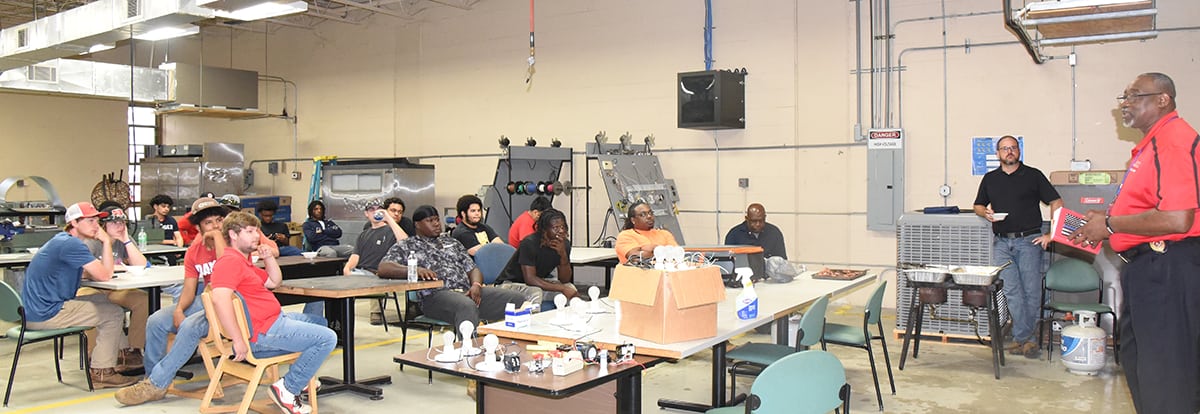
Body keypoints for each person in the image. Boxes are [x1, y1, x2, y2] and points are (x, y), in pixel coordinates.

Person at [1069, 72, 1200, 414]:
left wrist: (1109, 225)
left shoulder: (1172, 140)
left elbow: (1177, 218)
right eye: (1123, 97)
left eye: (1135, 96)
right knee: (1140, 362)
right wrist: (1100, 224)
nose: (1125, 104)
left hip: (1167, 270)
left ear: (1163, 100)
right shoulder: (1147, 147)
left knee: (1165, 375)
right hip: (1146, 271)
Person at [210, 211, 336, 414]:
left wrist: (268, 258)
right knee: (327, 338)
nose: (256, 236)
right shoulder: (229, 262)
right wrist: (238, 340)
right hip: (263, 332)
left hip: (273, 322)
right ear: (233, 235)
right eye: (249, 231)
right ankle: (287, 389)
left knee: (318, 322)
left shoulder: (244, 262)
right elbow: (219, 298)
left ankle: (302, 376)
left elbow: (274, 282)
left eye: (256, 232)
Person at [115, 197, 230, 406]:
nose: (215, 226)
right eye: (208, 223)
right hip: (206, 301)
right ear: (198, 227)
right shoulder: (195, 251)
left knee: (190, 325)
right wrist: (179, 309)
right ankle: (152, 381)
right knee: (157, 320)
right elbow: (189, 286)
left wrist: (218, 238)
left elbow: (225, 274)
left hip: (233, 304)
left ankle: (157, 382)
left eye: (219, 220)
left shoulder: (234, 239)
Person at [20, 202, 139, 388]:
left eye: (97, 221)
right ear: (74, 223)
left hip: (36, 310)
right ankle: (102, 372)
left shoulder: (63, 241)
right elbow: (105, 275)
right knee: (113, 314)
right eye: (90, 221)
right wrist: (107, 241)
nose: (96, 226)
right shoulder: (71, 245)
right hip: (46, 314)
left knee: (103, 299)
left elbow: (96, 272)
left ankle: (120, 353)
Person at [972, 135, 1062, 360]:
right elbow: (978, 205)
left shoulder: (1033, 175)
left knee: (1031, 291)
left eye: (1013, 148)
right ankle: (1026, 339)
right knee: (1011, 291)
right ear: (998, 154)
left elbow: (1056, 202)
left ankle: (1026, 339)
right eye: (1004, 149)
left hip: (1029, 241)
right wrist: (986, 213)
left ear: (1019, 151)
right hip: (1001, 242)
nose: (1009, 152)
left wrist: (1052, 233)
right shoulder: (990, 178)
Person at [377, 205, 528, 332]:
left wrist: (476, 285)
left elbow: (472, 269)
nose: (436, 224)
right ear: (417, 224)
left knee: (516, 300)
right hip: (436, 297)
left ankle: (509, 348)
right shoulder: (408, 245)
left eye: (437, 219)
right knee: (466, 306)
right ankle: (469, 352)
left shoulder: (452, 242)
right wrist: (415, 270)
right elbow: (384, 268)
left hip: (467, 292)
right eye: (430, 221)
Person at [79, 203, 149, 370]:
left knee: (143, 300)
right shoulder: (91, 242)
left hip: (116, 288)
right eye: (114, 223)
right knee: (95, 303)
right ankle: (95, 353)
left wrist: (125, 240)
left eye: (122, 222)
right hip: (92, 288)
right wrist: (117, 267)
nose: (120, 226)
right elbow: (85, 272)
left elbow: (142, 264)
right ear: (103, 225)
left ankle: (133, 349)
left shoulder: (123, 240)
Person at [343, 200, 409, 325]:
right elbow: (355, 256)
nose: (375, 212)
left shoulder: (391, 231)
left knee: (371, 278)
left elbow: (405, 242)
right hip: (361, 271)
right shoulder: (363, 234)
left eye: (378, 209)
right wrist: (347, 268)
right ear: (366, 214)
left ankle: (376, 312)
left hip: (379, 273)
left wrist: (388, 218)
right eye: (371, 210)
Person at [497, 208, 576, 306]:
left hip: (537, 282)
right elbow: (530, 279)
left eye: (563, 227)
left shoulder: (564, 244)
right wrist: (561, 288)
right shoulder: (529, 243)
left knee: (570, 288)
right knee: (535, 292)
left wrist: (563, 254)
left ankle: (573, 319)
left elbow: (564, 280)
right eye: (555, 228)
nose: (561, 231)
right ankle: (532, 320)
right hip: (509, 284)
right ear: (544, 229)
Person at [614, 201, 679, 264]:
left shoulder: (664, 234)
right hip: (638, 274)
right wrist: (662, 251)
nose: (649, 216)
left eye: (650, 213)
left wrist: (651, 249)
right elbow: (635, 258)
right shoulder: (625, 235)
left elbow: (677, 254)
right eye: (643, 214)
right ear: (633, 220)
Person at [723, 203, 788, 259]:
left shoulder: (774, 233)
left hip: (768, 272)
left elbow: (781, 261)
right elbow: (728, 261)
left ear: (765, 217)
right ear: (747, 219)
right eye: (754, 221)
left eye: (761, 220)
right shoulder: (734, 235)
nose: (758, 224)